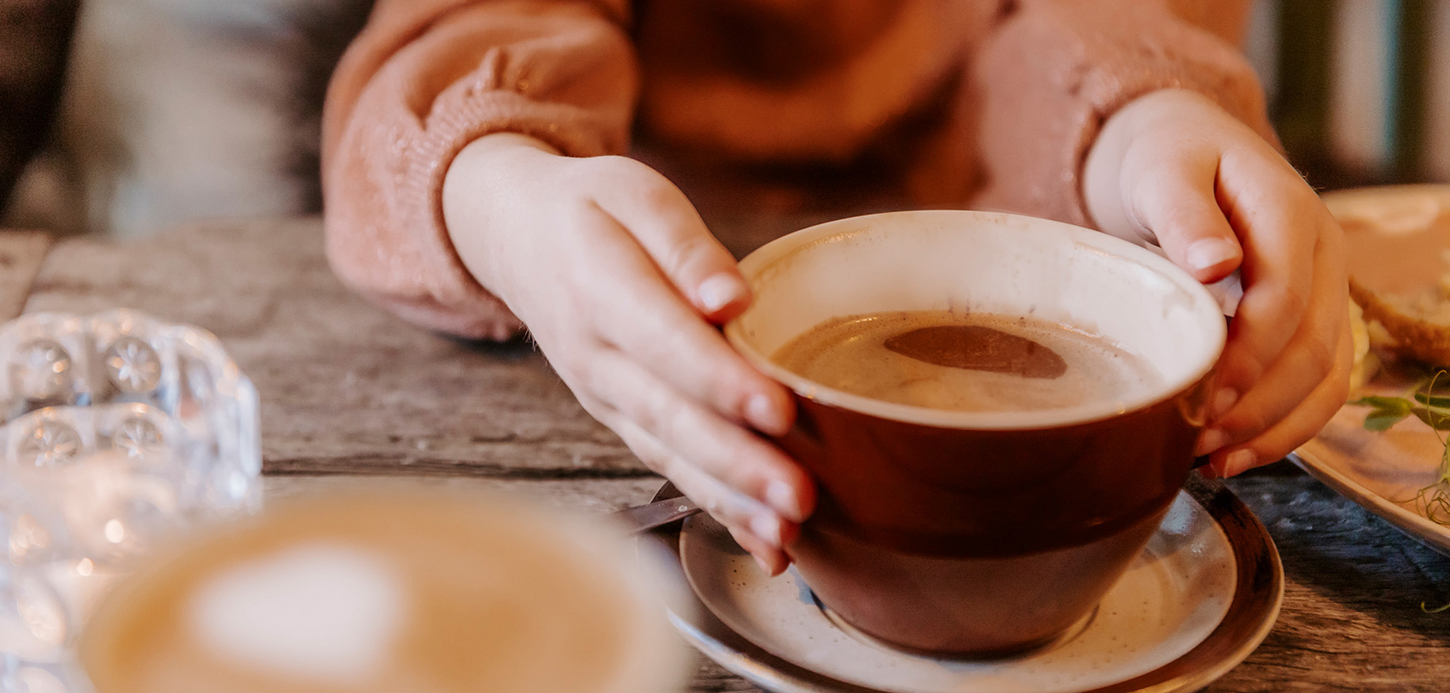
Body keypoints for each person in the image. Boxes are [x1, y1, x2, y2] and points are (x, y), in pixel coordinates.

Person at [322, 0, 1350, 575]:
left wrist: (1140, 124)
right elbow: (461, 40)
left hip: (1060, 223)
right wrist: (510, 201)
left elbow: (1091, 24)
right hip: (624, 304)